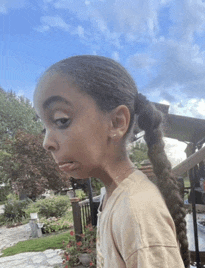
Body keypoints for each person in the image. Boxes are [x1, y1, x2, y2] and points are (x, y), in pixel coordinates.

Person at [34, 55, 190, 268]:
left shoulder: (137, 211)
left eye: (61, 120)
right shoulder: (114, 196)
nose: (46, 143)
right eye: (45, 127)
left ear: (117, 122)